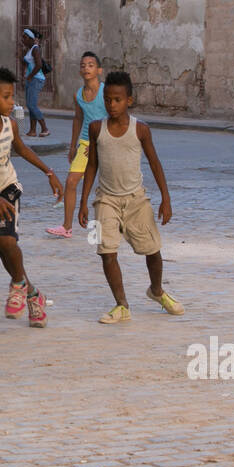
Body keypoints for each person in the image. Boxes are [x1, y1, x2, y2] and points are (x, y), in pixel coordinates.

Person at [0, 65, 63, 327]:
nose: (12, 102)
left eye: (12, 96)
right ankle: (33, 295)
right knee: (5, 253)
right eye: (6, 96)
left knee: (7, 242)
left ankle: (17, 285)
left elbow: (22, 150)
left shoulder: (11, 124)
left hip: (8, 189)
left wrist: (49, 172)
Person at [78, 70, 184, 324]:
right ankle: (121, 305)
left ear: (129, 101)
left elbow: (155, 163)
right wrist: (83, 201)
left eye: (117, 100)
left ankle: (156, 291)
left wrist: (165, 198)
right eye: (108, 100)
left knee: (153, 251)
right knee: (107, 251)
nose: (112, 105)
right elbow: (91, 165)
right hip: (106, 199)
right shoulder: (96, 129)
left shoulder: (140, 130)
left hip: (137, 199)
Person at [48, 51, 107, 239]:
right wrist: (73, 146)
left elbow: (114, 117)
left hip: (106, 142)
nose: (86, 68)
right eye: (83, 65)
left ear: (99, 70)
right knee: (71, 181)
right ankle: (67, 226)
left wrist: (99, 141)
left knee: (110, 185)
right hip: (84, 143)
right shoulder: (79, 94)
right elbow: (78, 118)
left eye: (91, 65)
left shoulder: (106, 92)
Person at [20, 28, 50, 138]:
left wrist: (30, 76)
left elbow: (39, 65)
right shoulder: (30, 49)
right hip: (31, 79)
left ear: (31, 38)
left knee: (31, 105)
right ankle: (32, 130)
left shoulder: (35, 49)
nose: (22, 39)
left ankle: (45, 128)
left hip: (36, 79)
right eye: (22, 37)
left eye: (25, 37)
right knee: (30, 104)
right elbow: (25, 63)